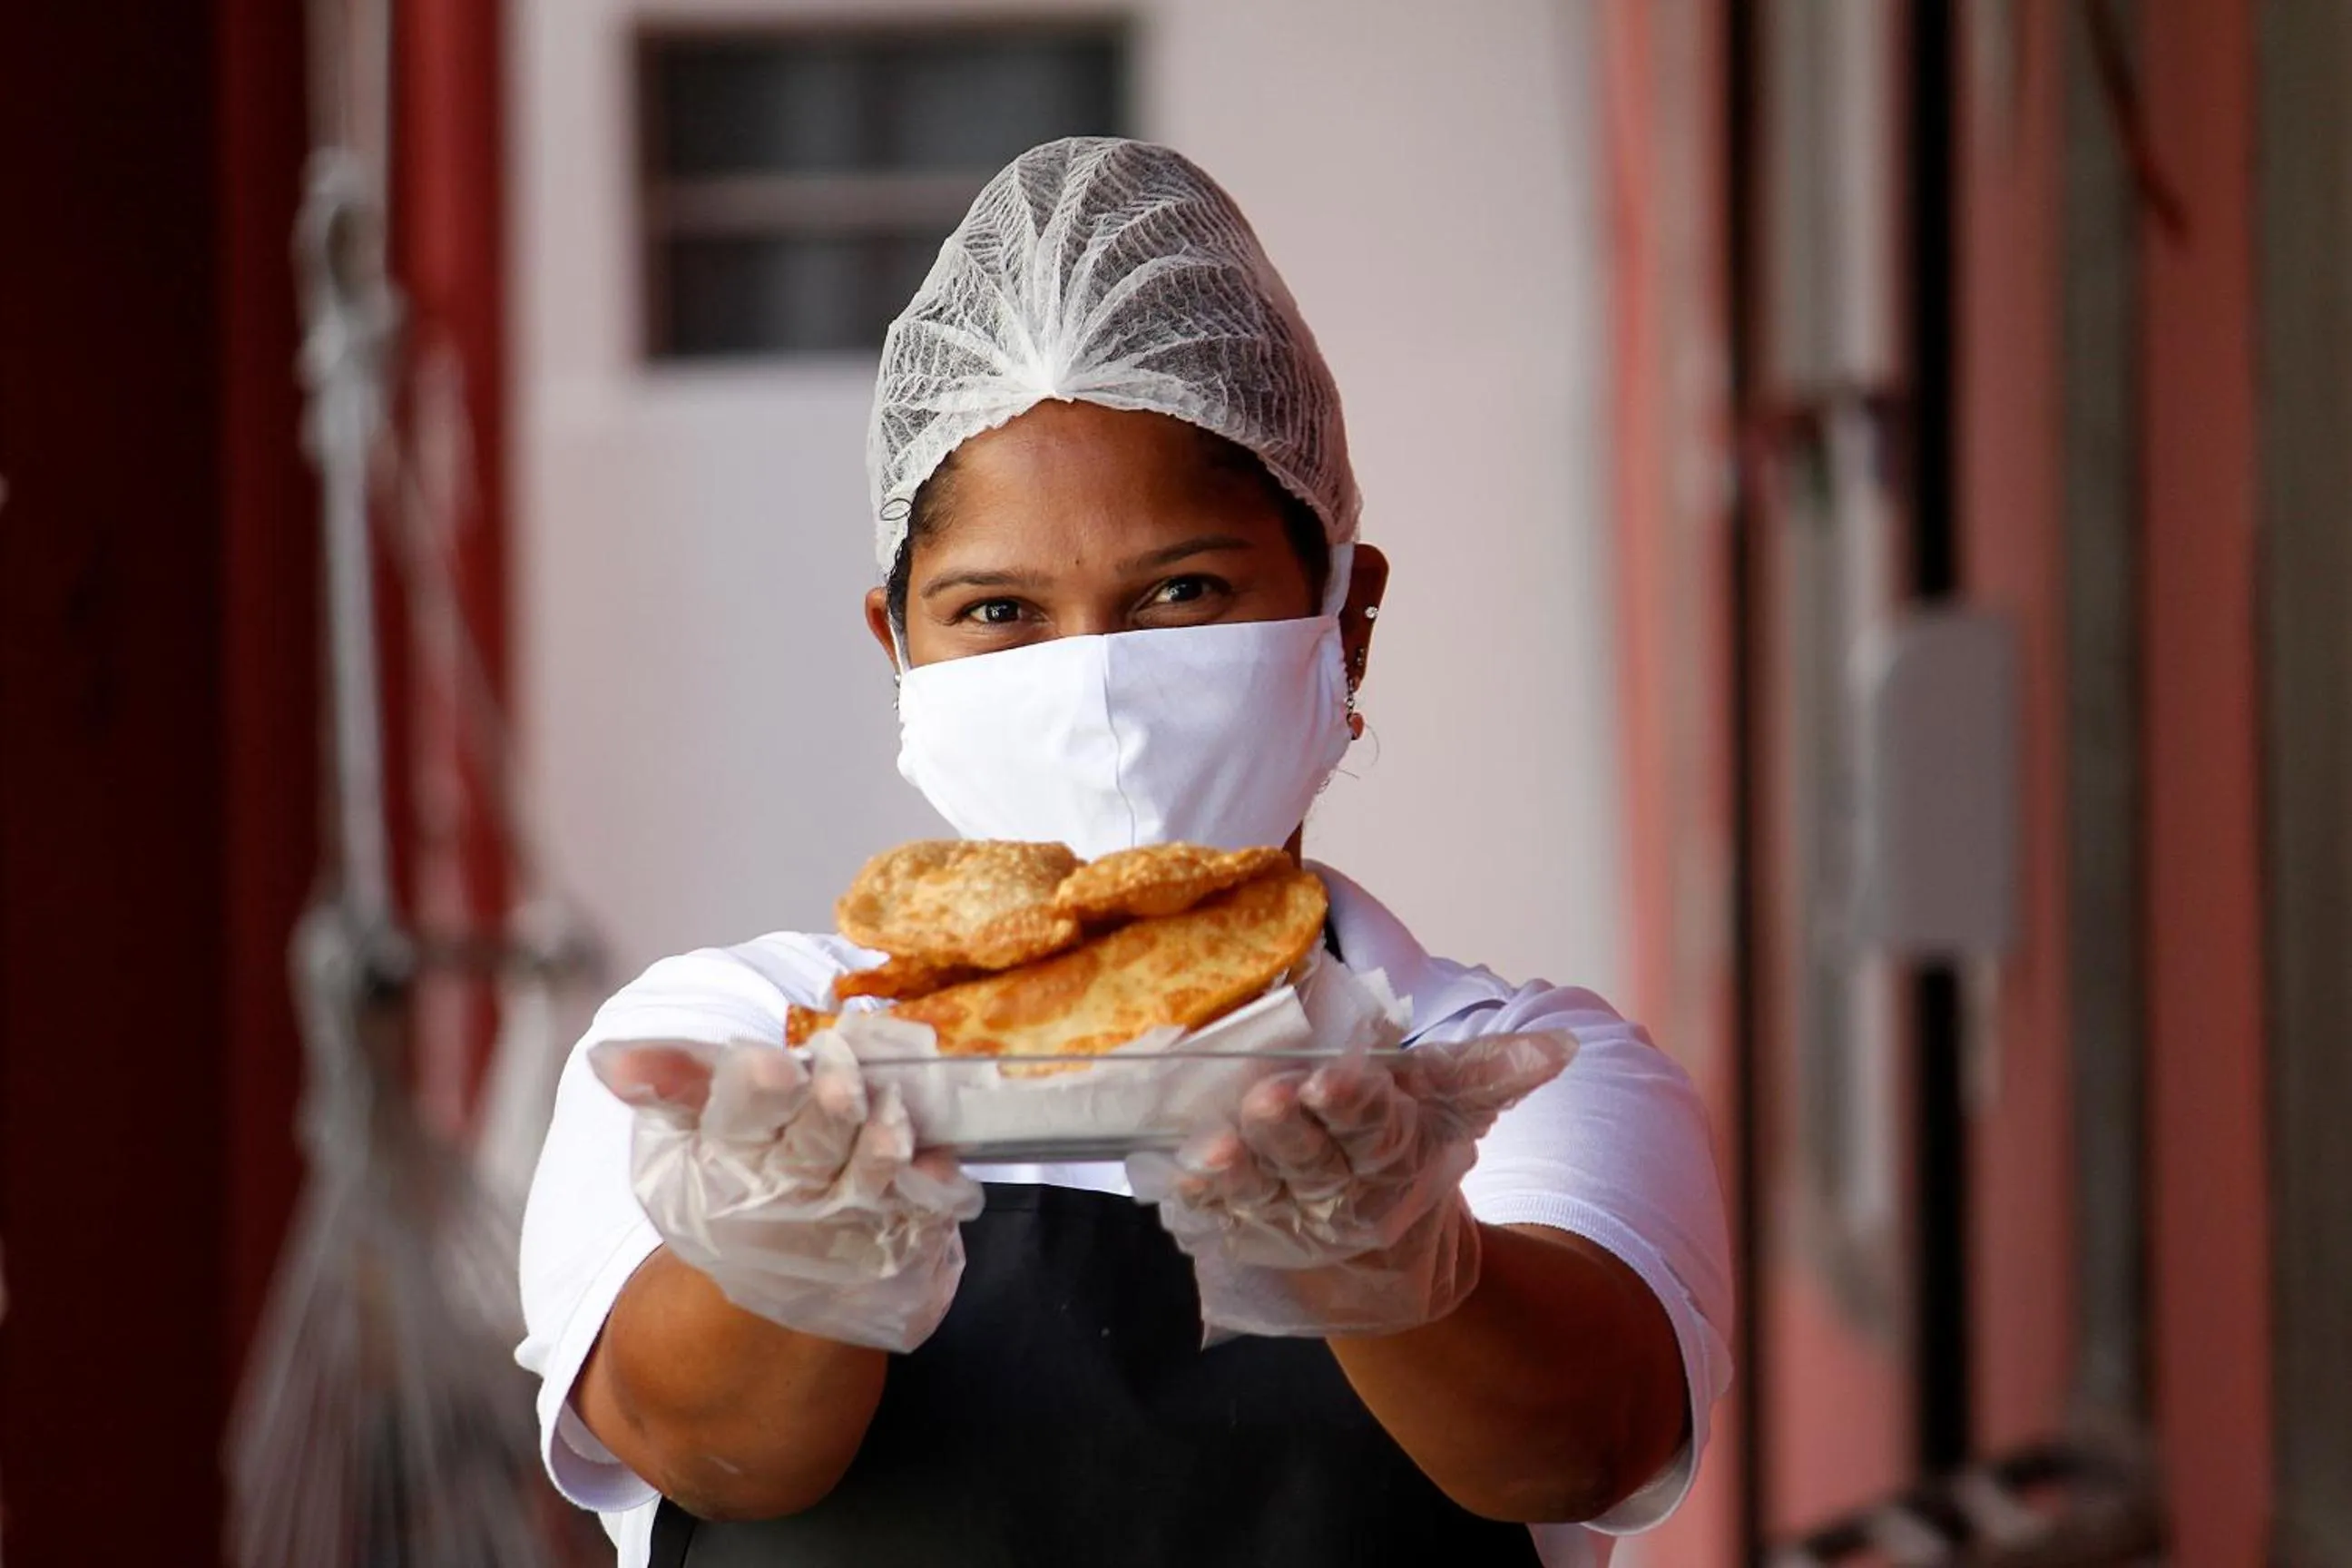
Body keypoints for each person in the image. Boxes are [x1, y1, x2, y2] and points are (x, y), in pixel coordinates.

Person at [517, 137, 1732, 1568]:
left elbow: (1590, 1437)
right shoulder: (736, 1060)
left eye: (1181, 590)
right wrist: (795, 1255)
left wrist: (1401, 1266)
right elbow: (701, 1443)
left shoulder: (1501, 1087)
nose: (1091, 679)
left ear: (1345, 619)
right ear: (894, 647)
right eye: (997, 613)